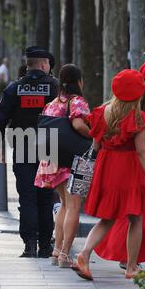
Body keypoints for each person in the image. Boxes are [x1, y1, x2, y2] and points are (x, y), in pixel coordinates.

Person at [74, 69, 145, 281]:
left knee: (107, 218)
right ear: (138, 93)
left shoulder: (100, 112)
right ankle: (131, 267)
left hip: (106, 168)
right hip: (128, 170)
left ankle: (84, 254)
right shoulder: (137, 117)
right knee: (136, 218)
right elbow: (142, 151)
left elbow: (95, 145)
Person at [0, 46, 58, 258]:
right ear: (43, 64)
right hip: (50, 150)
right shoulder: (55, 87)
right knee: (46, 198)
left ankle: (29, 245)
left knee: (27, 198)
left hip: (22, 149)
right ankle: (46, 246)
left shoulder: (14, 88)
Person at [34, 64, 90, 268]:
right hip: (73, 159)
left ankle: (57, 251)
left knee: (64, 206)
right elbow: (78, 125)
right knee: (74, 206)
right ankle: (65, 253)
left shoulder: (51, 104)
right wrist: (95, 136)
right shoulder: (77, 102)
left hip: (53, 159)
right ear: (79, 81)